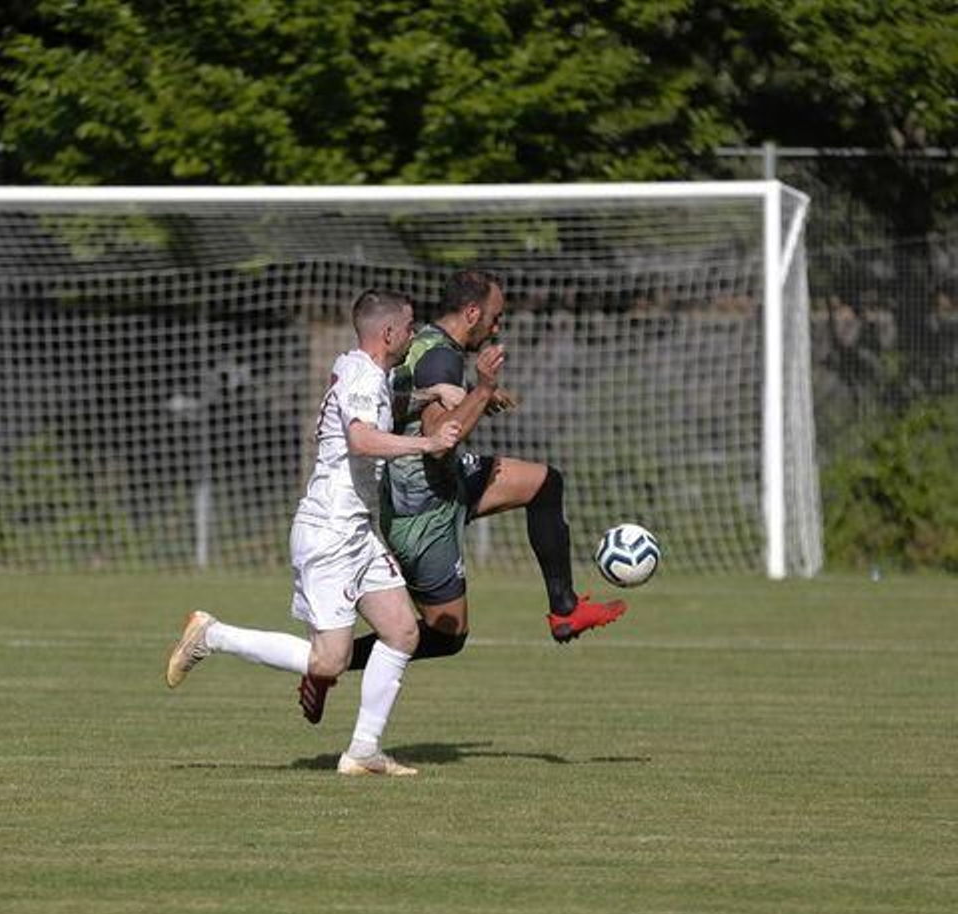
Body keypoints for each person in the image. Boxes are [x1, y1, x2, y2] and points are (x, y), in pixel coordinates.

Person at [164, 289, 463, 777]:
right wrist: (427, 441)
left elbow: (380, 404)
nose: (413, 336)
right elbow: (362, 439)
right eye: (409, 328)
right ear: (389, 333)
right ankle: (211, 635)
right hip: (330, 533)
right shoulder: (366, 376)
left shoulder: (358, 368)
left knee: (403, 632)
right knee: (328, 664)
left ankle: (364, 751)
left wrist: (432, 395)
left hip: (357, 531)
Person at [336, 269, 627, 703]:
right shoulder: (442, 359)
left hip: (448, 482)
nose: (497, 326)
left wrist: (479, 395)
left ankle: (565, 611)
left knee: (545, 483)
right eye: (494, 317)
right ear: (472, 312)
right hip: (423, 508)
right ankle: (329, 662)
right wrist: (484, 387)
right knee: (446, 635)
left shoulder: (431, 343)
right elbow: (439, 437)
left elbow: (420, 405)